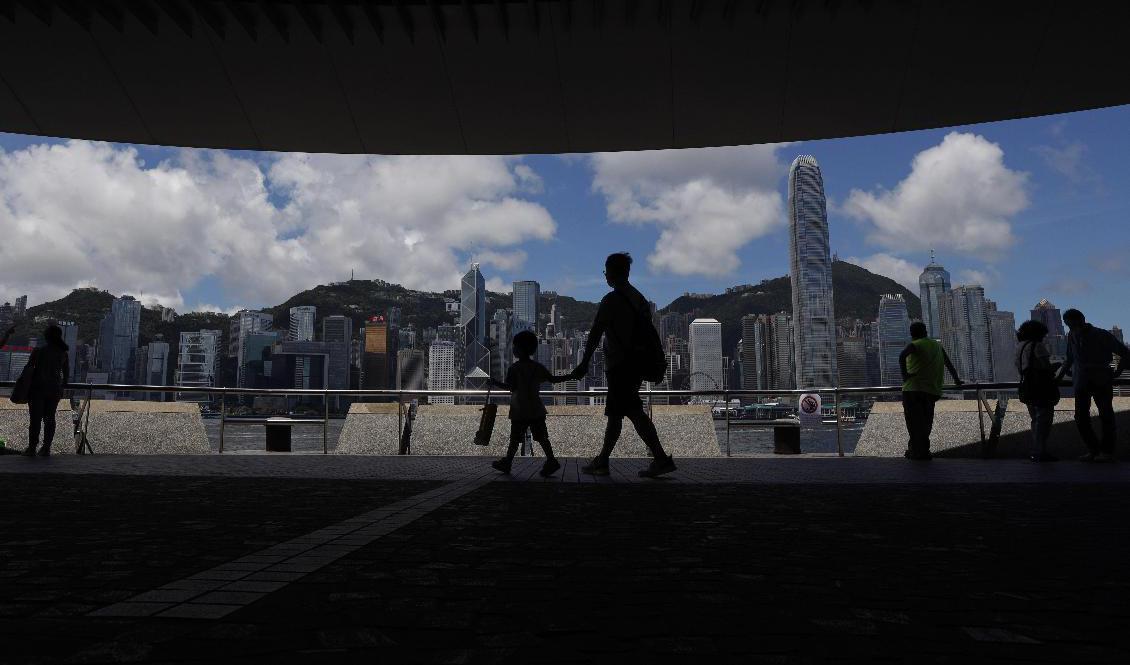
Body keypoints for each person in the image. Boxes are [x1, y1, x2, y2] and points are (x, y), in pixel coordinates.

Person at [574, 253, 676, 478]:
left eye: (606, 271)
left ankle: (655, 458)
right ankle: (608, 460)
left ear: (612, 273)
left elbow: (595, 333)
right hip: (636, 366)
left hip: (620, 366)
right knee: (623, 412)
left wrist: (584, 363)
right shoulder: (639, 299)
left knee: (626, 412)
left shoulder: (611, 300)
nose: (605, 276)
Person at [488, 330, 572, 477]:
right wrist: (571, 376)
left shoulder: (514, 368)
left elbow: (510, 388)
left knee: (514, 438)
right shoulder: (537, 367)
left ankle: (507, 462)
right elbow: (553, 380)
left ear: (520, 349)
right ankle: (551, 460)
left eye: (515, 346)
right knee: (542, 437)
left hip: (519, 410)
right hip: (536, 409)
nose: (513, 349)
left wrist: (494, 382)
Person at [1054, 309, 1129, 463]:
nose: (1071, 328)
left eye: (1073, 324)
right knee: (1081, 417)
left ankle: (1106, 452)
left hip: (1100, 380)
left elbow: (1124, 352)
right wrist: (1059, 378)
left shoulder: (1102, 335)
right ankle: (1094, 450)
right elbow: (1069, 358)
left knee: (1105, 415)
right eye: (1069, 325)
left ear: (1082, 320)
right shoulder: (1072, 336)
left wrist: (1117, 371)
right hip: (1081, 381)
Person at [899, 321, 962, 460]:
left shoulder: (915, 344)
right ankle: (921, 451)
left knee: (913, 423)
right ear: (926, 332)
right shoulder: (937, 345)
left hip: (913, 389)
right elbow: (948, 363)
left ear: (911, 334)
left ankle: (917, 452)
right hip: (931, 391)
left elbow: (902, 355)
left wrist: (905, 375)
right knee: (926, 423)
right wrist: (956, 380)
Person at [1015, 320, 1060, 462]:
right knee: (1044, 421)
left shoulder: (1020, 347)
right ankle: (1040, 451)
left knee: (1035, 420)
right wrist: (1058, 365)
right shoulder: (1038, 346)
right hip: (1041, 388)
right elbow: (1046, 367)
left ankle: (1036, 451)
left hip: (1027, 387)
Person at [23, 324, 70, 457]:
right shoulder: (63, 353)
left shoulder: (38, 351)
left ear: (47, 336)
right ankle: (46, 447)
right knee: (50, 419)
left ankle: (32, 447)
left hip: (37, 389)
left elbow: (28, 369)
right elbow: (66, 374)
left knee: (35, 420)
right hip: (54, 390)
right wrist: (62, 386)